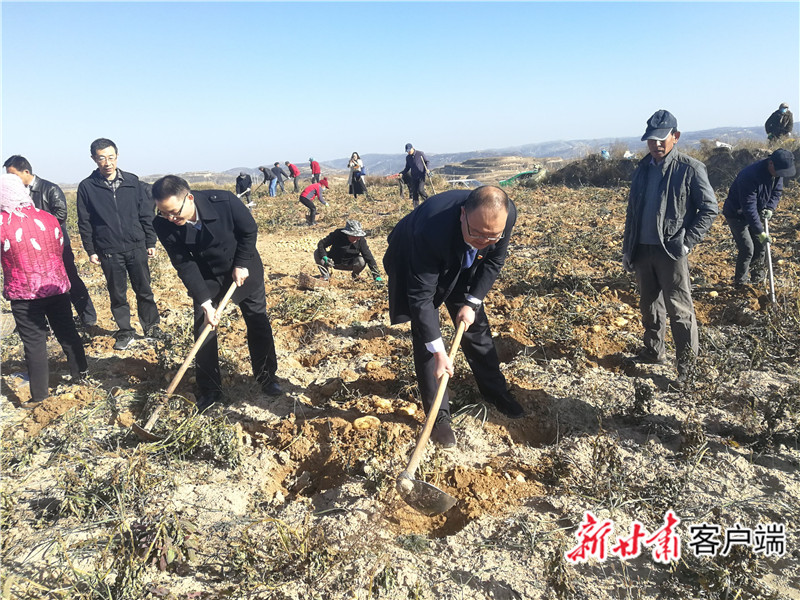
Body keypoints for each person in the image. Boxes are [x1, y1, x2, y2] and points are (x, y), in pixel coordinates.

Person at [383, 186, 524, 448]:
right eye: (477, 233)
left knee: (475, 324)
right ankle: (438, 417)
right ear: (463, 214)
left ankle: (495, 391)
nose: (484, 241)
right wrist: (439, 352)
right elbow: (422, 298)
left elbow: (494, 261)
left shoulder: (505, 216)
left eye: (492, 237)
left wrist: (472, 302)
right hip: (415, 256)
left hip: (461, 258)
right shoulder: (429, 230)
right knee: (426, 335)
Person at [151, 175, 282, 410]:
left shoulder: (224, 202)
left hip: (243, 268)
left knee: (257, 321)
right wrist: (205, 302)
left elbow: (249, 231)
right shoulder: (162, 224)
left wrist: (241, 264)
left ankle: (267, 377)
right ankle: (210, 389)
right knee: (204, 328)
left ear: (189, 198)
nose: (171, 218)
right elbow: (184, 263)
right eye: (164, 213)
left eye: (174, 212)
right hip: (206, 276)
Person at [622, 110, 718, 385]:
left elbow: (709, 209)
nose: (656, 145)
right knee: (649, 306)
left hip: (671, 251)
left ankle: (687, 370)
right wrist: (628, 249)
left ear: (675, 137)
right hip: (642, 250)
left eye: (662, 139)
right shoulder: (642, 169)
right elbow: (633, 213)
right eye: (651, 140)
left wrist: (687, 242)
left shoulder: (690, 168)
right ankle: (654, 353)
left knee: (679, 310)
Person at [0, 174, 88, 408]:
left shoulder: (2, 223)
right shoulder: (48, 218)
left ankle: (40, 396)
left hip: (24, 293)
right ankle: (83, 376)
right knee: (67, 331)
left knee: (35, 343)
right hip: (56, 286)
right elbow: (59, 248)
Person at [76, 138, 161, 351]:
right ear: (94, 159)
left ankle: (151, 328)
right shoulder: (87, 187)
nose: (107, 162)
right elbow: (84, 221)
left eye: (111, 157)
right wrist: (91, 250)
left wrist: (150, 240)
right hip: (109, 250)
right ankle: (125, 331)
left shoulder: (132, 181)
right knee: (117, 293)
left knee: (144, 289)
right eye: (102, 158)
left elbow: (145, 213)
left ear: (117, 156)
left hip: (136, 245)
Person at [3, 155, 97, 328]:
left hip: (57, 246)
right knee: (36, 284)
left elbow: (61, 215)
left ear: (26, 172)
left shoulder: (49, 188)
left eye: (13, 175)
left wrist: (36, 228)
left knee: (70, 278)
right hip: (29, 250)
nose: (11, 180)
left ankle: (88, 316)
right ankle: (44, 323)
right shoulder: (13, 194)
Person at [722, 148, 796, 287]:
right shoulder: (750, 176)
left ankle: (757, 279)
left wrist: (770, 208)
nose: (780, 175)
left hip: (755, 212)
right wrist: (760, 231)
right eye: (779, 172)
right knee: (747, 249)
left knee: (760, 246)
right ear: (771, 163)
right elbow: (748, 207)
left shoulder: (777, 172)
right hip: (737, 214)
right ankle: (740, 283)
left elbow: (777, 191)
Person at [314, 219, 383, 283]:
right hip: (333, 262)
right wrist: (325, 257)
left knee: (361, 260)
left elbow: (368, 257)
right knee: (317, 252)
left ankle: (355, 276)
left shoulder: (361, 240)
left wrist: (377, 276)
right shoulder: (338, 234)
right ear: (347, 234)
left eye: (358, 236)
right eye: (354, 236)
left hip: (350, 263)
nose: (357, 238)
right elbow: (321, 244)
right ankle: (325, 276)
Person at [399, 143, 430, 208]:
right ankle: (416, 208)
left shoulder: (420, 154)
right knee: (414, 192)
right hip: (414, 177)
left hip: (421, 176)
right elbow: (407, 167)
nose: (408, 152)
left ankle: (428, 201)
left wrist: (427, 169)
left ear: (412, 148)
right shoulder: (408, 158)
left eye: (409, 150)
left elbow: (427, 162)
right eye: (407, 151)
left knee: (420, 190)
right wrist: (402, 173)